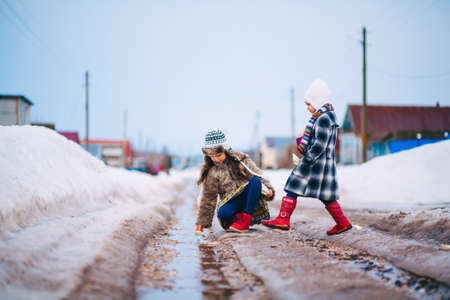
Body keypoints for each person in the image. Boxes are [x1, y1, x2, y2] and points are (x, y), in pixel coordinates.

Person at [262, 79, 352, 235]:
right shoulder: (325, 117)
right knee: (325, 195)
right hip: (322, 164)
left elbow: (320, 145)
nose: (308, 108)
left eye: (309, 104)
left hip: (316, 163)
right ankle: (342, 223)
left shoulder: (324, 119)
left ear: (318, 102)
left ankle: (283, 219)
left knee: (294, 184)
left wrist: (307, 159)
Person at [195, 129, 275, 234]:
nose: (215, 159)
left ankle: (245, 219)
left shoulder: (241, 159)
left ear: (225, 150)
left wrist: (269, 190)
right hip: (232, 205)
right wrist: (201, 222)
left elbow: (258, 175)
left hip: (248, 201)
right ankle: (237, 220)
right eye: (212, 156)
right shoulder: (212, 171)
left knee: (255, 181)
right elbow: (208, 198)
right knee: (223, 212)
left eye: (218, 155)